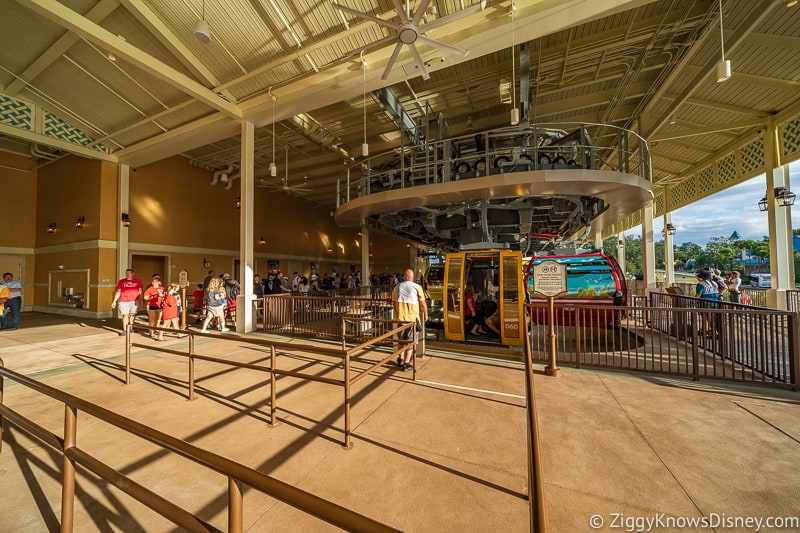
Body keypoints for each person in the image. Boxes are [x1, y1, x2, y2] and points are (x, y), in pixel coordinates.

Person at [392, 268, 428, 372]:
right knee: (411, 343)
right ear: (413, 277)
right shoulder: (417, 287)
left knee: (401, 341)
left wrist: (399, 312)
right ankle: (406, 364)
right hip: (412, 320)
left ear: (404, 277)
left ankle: (401, 359)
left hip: (400, 319)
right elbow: (422, 303)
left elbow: (394, 303)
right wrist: (426, 314)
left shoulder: (396, 287)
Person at [111, 269, 143, 336]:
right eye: (127, 273)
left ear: (133, 274)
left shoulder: (137, 281)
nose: (128, 274)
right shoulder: (121, 281)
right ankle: (125, 330)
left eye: (129, 273)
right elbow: (118, 291)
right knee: (125, 315)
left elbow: (140, 291)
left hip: (134, 300)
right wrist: (114, 301)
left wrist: (141, 300)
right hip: (124, 301)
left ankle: (131, 327)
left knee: (132, 315)